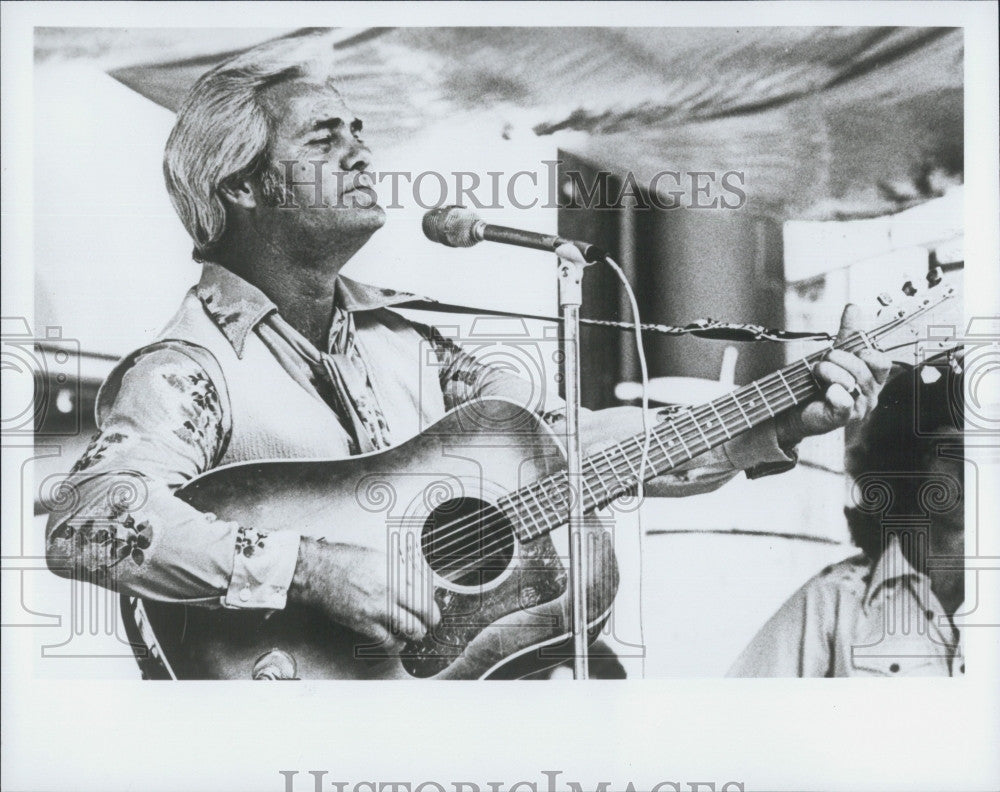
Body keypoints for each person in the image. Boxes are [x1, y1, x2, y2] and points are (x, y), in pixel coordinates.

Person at [44, 39, 890, 676]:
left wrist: (771, 423)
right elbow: (87, 521)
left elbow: (577, 449)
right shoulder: (186, 370)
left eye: (360, 130)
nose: (359, 151)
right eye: (322, 138)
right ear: (242, 186)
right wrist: (306, 570)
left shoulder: (412, 347)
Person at [728, 352, 965, 677]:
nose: (975, 471)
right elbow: (738, 712)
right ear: (906, 462)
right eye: (953, 451)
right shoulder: (834, 599)